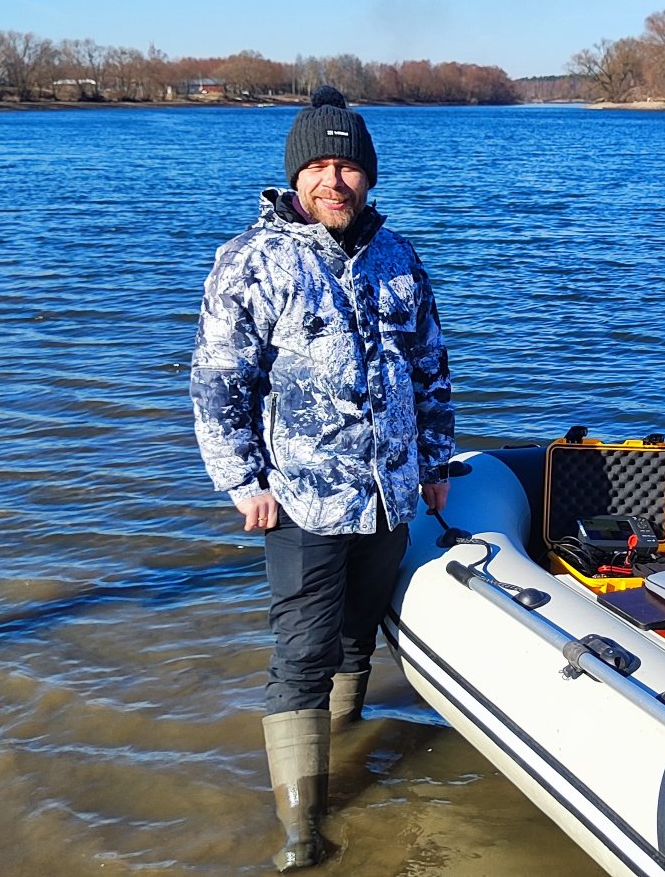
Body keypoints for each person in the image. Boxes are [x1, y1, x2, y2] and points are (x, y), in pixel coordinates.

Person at [191, 85, 454, 871]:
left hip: (388, 497)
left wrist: (433, 461)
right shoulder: (253, 261)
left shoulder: (398, 257)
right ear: (295, 176)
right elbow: (218, 383)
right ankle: (302, 829)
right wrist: (244, 480)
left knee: (356, 640)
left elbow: (431, 368)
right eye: (318, 168)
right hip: (301, 499)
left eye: (348, 168)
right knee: (303, 654)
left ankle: (339, 745)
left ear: (368, 176)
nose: (333, 182)